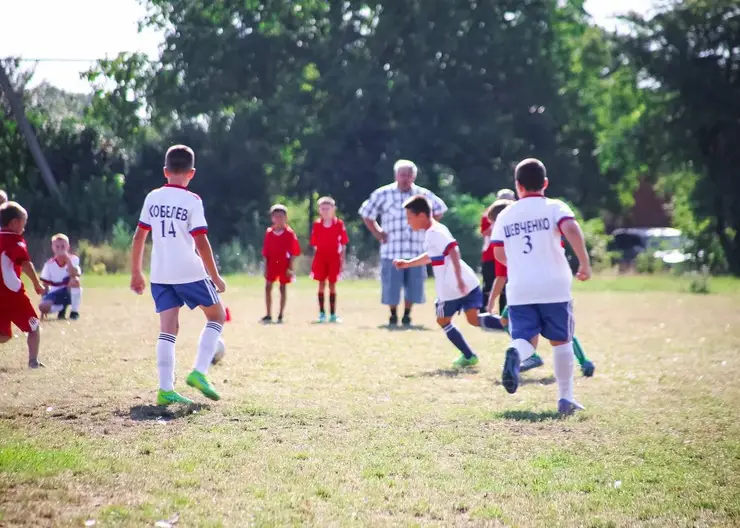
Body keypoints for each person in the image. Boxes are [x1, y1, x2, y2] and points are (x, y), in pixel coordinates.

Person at [491, 158, 591, 416]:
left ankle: (514, 352)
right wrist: (584, 262)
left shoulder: (505, 213)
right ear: (545, 183)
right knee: (561, 341)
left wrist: (519, 260)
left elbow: (499, 254)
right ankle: (565, 399)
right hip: (553, 286)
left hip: (520, 289)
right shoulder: (555, 206)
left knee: (525, 340)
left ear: (517, 185)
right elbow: (569, 226)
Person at [131, 144, 227, 406]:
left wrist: (136, 273)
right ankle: (199, 372)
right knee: (217, 315)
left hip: (160, 274)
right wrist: (215, 276)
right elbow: (202, 242)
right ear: (192, 173)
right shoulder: (192, 201)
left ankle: (165, 390)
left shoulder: (153, 197)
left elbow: (140, 236)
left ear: (165, 171)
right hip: (188, 271)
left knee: (168, 328)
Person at [485, 200, 595, 377]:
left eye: (493, 224)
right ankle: (578, 364)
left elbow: (501, 276)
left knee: (559, 332)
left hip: (525, 291)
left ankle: (531, 355)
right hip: (550, 283)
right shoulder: (539, 224)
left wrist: (491, 301)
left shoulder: (508, 242)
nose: (492, 228)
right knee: (560, 331)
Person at [393, 195, 504, 368]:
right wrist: (409, 263)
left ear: (421, 216)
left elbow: (453, 249)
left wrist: (458, 279)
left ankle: (468, 356)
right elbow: (433, 255)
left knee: (443, 320)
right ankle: (510, 325)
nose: (408, 222)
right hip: (468, 282)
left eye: (409, 217)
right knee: (474, 319)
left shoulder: (434, 232)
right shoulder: (435, 230)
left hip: (453, 288)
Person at [359, 160, 448, 327]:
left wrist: (427, 226)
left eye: (408, 175)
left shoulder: (422, 194)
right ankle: (393, 314)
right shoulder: (383, 193)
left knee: (414, 285)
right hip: (392, 248)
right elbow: (366, 213)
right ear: (396, 175)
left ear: (414, 176)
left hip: (416, 248)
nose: (405, 178)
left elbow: (440, 209)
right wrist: (377, 232)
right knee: (391, 286)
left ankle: (407, 314)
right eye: (402, 174)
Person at [0, 201, 47, 368]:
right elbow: (26, 264)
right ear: (14, 223)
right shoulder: (15, 240)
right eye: (23, 224)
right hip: (13, 295)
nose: (24, 229)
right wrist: (36, 283)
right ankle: (33, 361)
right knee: (34, 325)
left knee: (4, 335)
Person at [310, 196, 349, 323]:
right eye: (323, 208)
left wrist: (342, 260)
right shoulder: (317, 224)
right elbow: (315, 244)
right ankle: (321, 313)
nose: (325, 211)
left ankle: (332, 314)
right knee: (321, 284)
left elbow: (343, 244)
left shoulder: (339, 224)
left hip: (334, 258)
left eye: (328, 208)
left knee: (332, 285)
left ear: (334, 209)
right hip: (321, 257)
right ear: (319, 210)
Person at [262, 204, 301, 324]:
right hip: (272, 263)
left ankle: (280, 314)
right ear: (272, 218)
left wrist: (291, 267)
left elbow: (294, 252)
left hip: (284, 264)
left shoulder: (289, 233)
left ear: (286, 217)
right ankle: (268, 314)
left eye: (281, 216)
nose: (278, 219)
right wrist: (265, 267)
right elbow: (266, 252)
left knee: (282, 288)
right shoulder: (269, 232)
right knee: (268, 287)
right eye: (276, 216)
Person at [479, 189, 515, 312]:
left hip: (507, 254)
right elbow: (484, 232)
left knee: (507, 287)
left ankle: (504, 313)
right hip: (491, 254)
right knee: (489, 284)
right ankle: (485, 311)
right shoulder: (490, 214)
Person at [38, 233, 83, 320]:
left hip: (68, 291)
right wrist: (44, 301)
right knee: (42, 306)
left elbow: (74, 273)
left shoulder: (74, 259)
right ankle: (62, 308)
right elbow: (45, 285)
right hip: (55, 292)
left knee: (75, 280)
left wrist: (67, 260)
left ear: (68, 247)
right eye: (57, 247)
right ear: (53, 248)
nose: (60, 249)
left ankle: (74, 312)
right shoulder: (49, 264)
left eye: (63, 246)